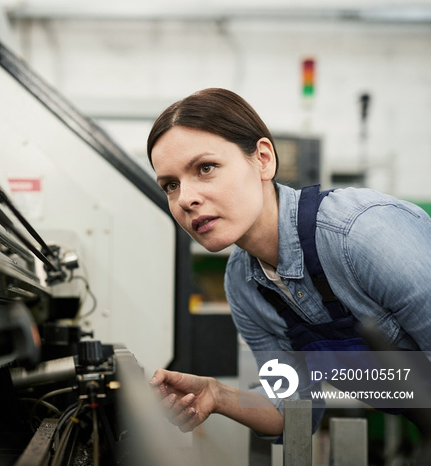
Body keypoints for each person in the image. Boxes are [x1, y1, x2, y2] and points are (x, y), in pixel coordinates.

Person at [146, 88, 431, 438]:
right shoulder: (244, 284)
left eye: (206, 168)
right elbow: (294, 409)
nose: (186, 198)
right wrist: (217, 395)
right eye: (170, 185)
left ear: (263, 159)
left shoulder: (361, 235)